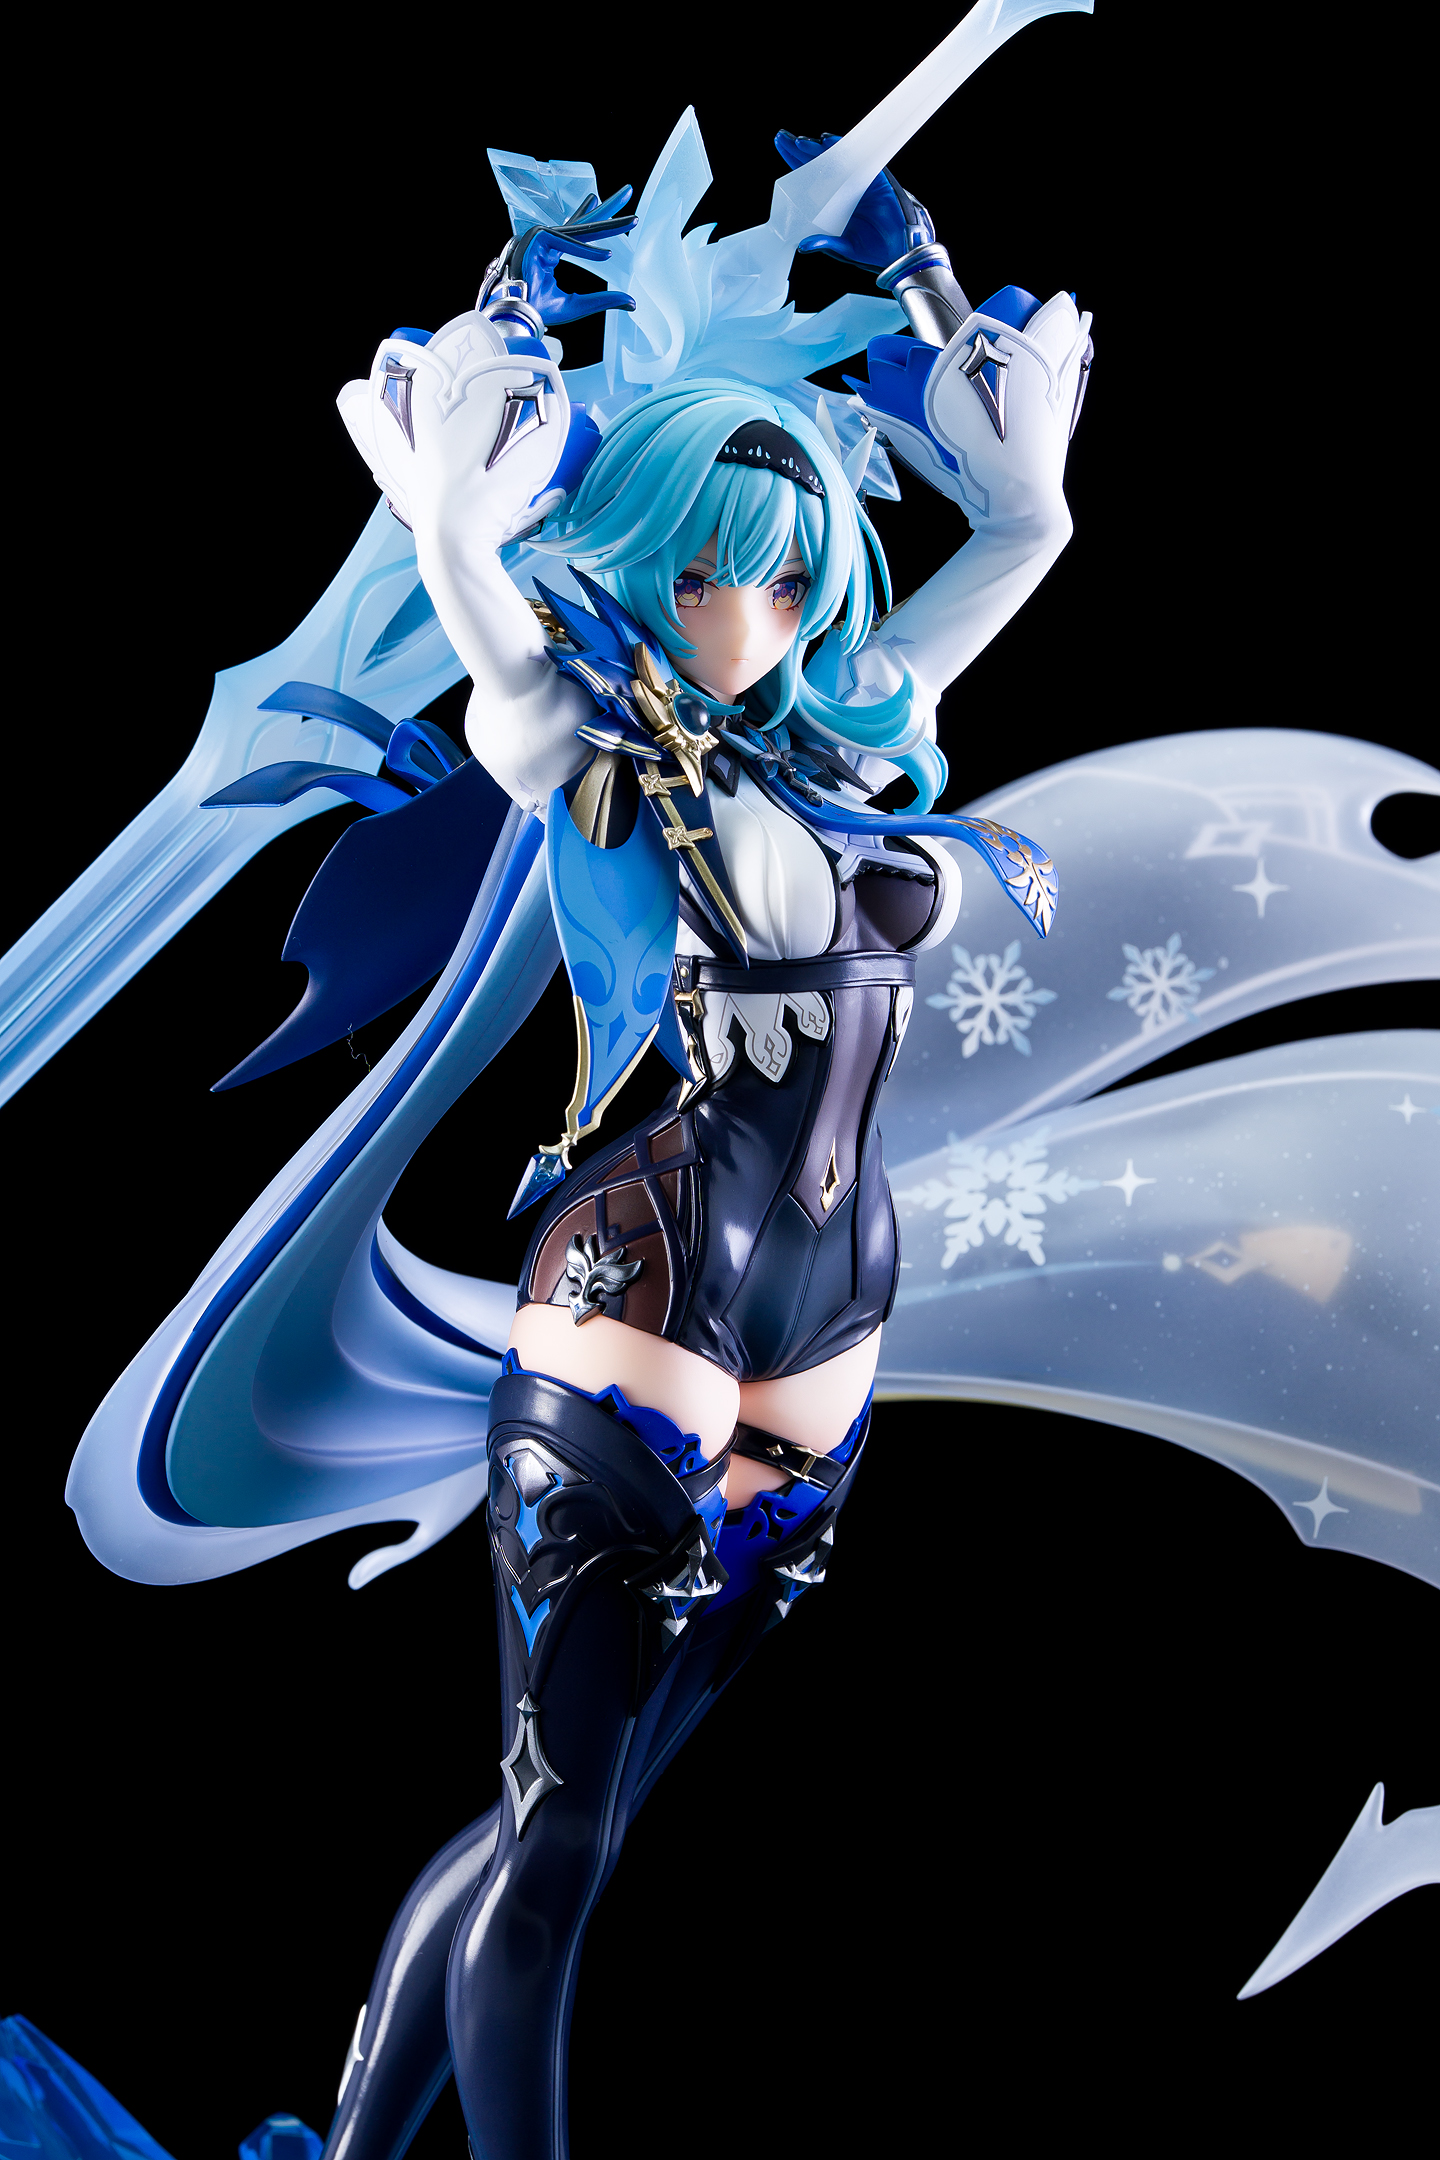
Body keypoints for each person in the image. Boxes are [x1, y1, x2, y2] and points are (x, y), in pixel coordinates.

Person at [315, 120, 1090, 2159]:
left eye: (783, 565)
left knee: (569, 1830)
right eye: (698, 562)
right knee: (558, 1838)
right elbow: (495, 655)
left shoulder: (853, 729)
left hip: (831, 1314)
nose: (744, 602)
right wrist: (456, 518)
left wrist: (989, 406)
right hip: (644, 1282)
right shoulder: (593, 733)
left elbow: (1016, 547)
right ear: (639, 553)